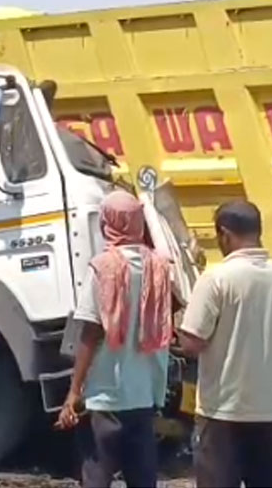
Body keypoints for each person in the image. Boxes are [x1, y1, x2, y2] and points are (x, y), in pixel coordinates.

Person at [177, 200, 272, 488]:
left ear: (224, 234)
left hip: (222, 414)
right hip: (269, 412)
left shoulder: (216, 279)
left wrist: (177, 323)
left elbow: (192, 343)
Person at [56, 190, 172, 488]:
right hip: (145, 393)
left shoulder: (102, 267)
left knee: (97, 475)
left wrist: (74, 391)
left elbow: (89, 333)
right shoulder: (159, 267)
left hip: (105, 395)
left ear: (107, 223)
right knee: (143, 478)